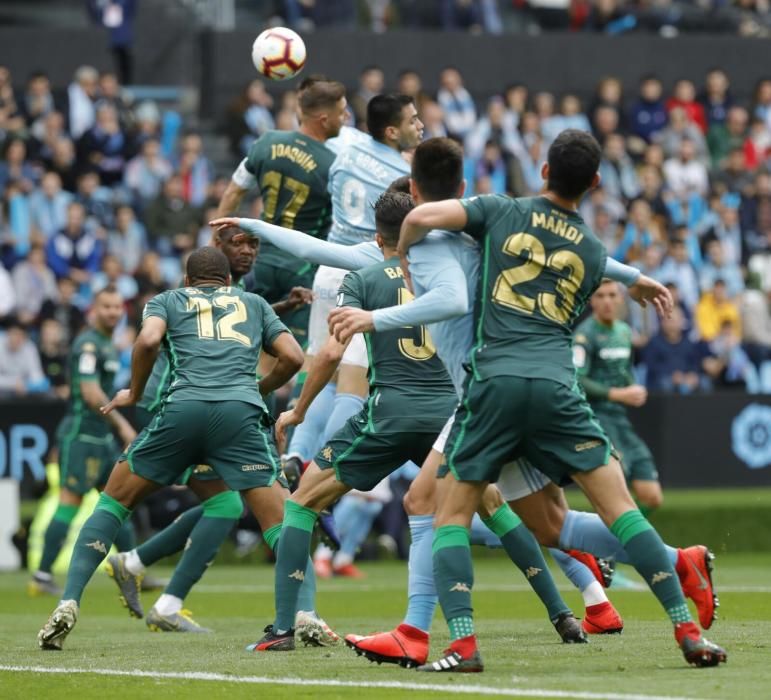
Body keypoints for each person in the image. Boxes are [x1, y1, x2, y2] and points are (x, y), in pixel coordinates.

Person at [391, 129, 725, 670]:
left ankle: (463, 644)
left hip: (493, 383)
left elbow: (420, 217)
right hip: (555, 386)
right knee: (607, 512)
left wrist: (403, 254)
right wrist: (637, 277)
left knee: (447, 514)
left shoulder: (501, 208)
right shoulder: (592, 252)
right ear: (595, 183)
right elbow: (599, 268)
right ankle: (687, 630)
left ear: (543, 171)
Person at [223, 192, 579, 653]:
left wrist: (299, 410)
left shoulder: (363, 278)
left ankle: (284, 629)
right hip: (450, 417)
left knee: (299, 504)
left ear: (376, 237)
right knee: (494, 505)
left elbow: (331, 350)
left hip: (389, 415)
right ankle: (562, 613)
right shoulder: (457, 272)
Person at [36, 247, 329, 650]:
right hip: (238, 419)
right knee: (281, 518)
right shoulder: (253, 302)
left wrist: (133, 392)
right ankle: (303, 614)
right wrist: (255, 391)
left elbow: (148, 340)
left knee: (114, 501)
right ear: (227, 281)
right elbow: (293, 356)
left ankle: (70, 598)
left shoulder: (168, 300)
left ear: (187, 281)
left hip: (180, 412)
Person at [104, 230, 315, 633]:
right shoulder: (182, 296)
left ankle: (139, 568)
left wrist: (282, 307)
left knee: (228, 506)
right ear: (216, 254)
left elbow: (231, 322)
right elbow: (200, 327)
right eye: (239, 243)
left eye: (254, 245)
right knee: (235, 506)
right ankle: (156, 588)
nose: (249, 251)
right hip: (188, 408)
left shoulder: (238, 294)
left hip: (213, 409)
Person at [285, 94, 423, 483]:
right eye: (414, 121)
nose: (421, 126)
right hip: (367, 269)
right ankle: (324, 470)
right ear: (393, 131)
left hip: (328, 267)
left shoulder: (347, 144)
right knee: (353, 380)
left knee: (321, 369)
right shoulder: (403, 175)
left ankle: (297, 453)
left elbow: (318, 122)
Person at [216, 78, 347, 349]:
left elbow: (233, 193)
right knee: (300, 353)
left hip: (258, 260)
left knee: (246, 343)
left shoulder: (267, 142)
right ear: (324, 118)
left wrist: (216, 243)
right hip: (302, 267)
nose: (345, 118)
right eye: (342, 112)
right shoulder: (333, 165)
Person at [28, 287, 136, 597]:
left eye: (118, 307)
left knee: (120, 500)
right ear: (94, 309)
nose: (114, 312)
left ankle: (132, 567)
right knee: (70, 502)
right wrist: (124, 427)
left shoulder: (107, 345)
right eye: (107, 306)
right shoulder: (88, 344)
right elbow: (90, 394)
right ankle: (42, 574)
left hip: (100, 438)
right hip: (82, 436)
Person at [574, 281, 663, 515]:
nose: (607, 301)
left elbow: (624, 373)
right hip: (596, 418)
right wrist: (618, 394)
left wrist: (633, 387)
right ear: (591, 301)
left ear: (621, 299)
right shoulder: (584, 335)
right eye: (601, 296)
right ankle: (610, 546)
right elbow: (577, 379)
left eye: (612, 295)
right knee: (616, 495)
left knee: (651, 496)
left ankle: (618, 546)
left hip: (621, 419)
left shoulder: (623, 332)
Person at [0, 317, 46, 397]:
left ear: (25, 337)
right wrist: (13, 384)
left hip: (24, 392)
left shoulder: (30, 348)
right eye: (14, 333)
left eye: (20, 335)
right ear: (7, 333)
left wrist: (27, 385)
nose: (16, 338)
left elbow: (38, 376)